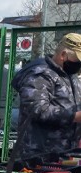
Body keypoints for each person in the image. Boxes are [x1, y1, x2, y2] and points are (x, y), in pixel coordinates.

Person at [11, 33, 81, 161]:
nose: (79, 64)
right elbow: (37, 110)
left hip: (66, 152)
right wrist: (74, 116)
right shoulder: (40, 74)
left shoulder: (70, 75)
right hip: (40, 155)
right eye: (78, 59)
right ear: (63, 55)